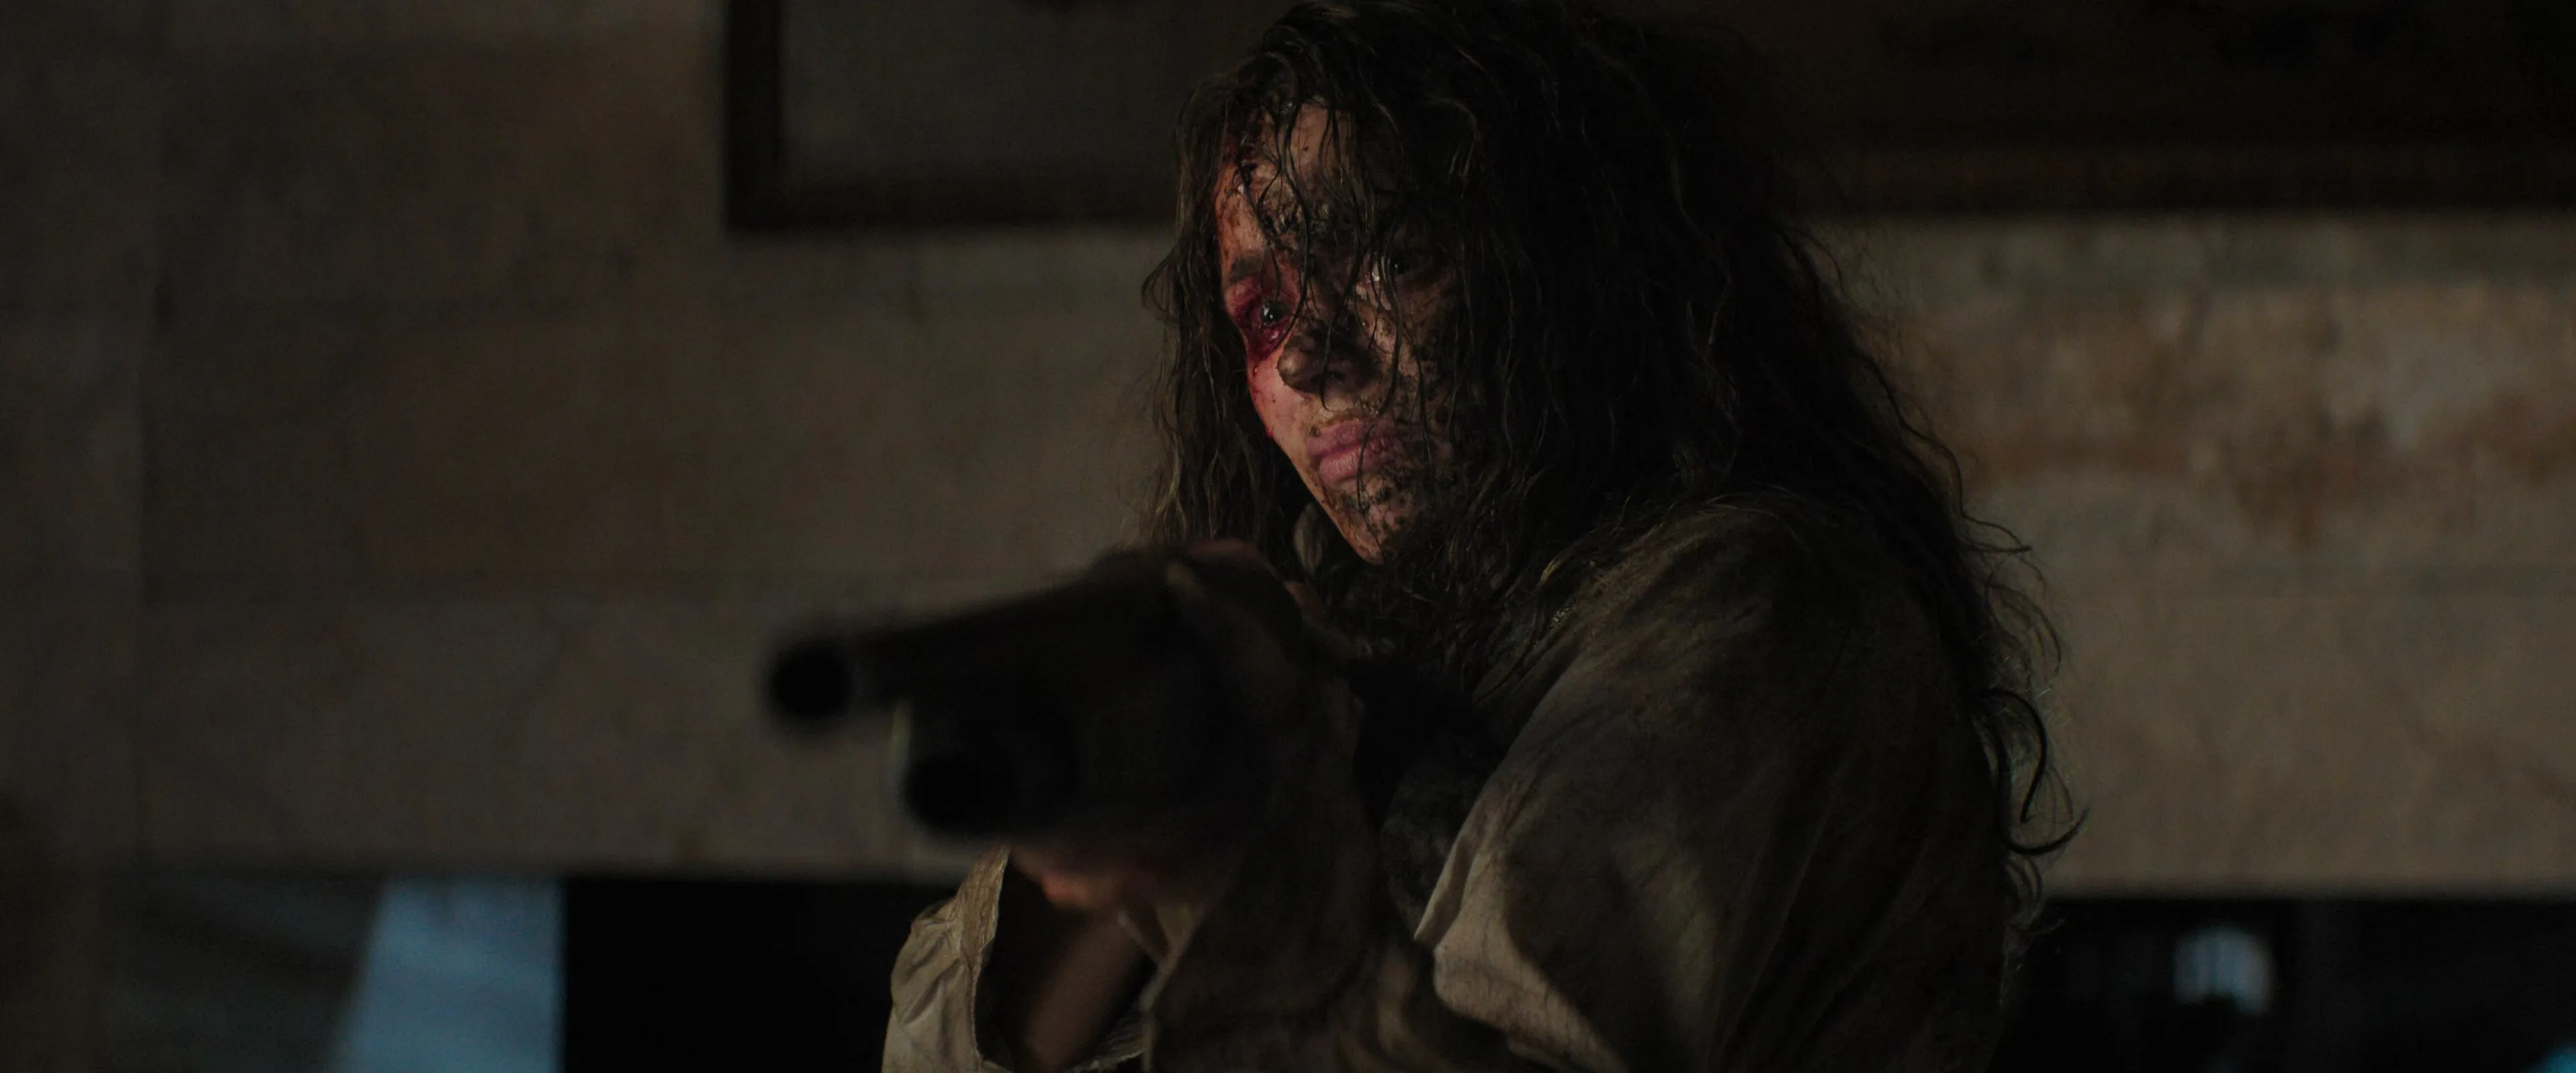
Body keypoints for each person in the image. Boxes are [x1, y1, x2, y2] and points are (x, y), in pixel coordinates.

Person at [884, 1, 2071, 1069]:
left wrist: (1250, 849)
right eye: (1268, 307)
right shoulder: (1351, 632)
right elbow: (932, 1051)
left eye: (1395, 258)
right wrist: (1126, 798)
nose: (1311, 358)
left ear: (1567, 266)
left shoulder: (1760, 613)